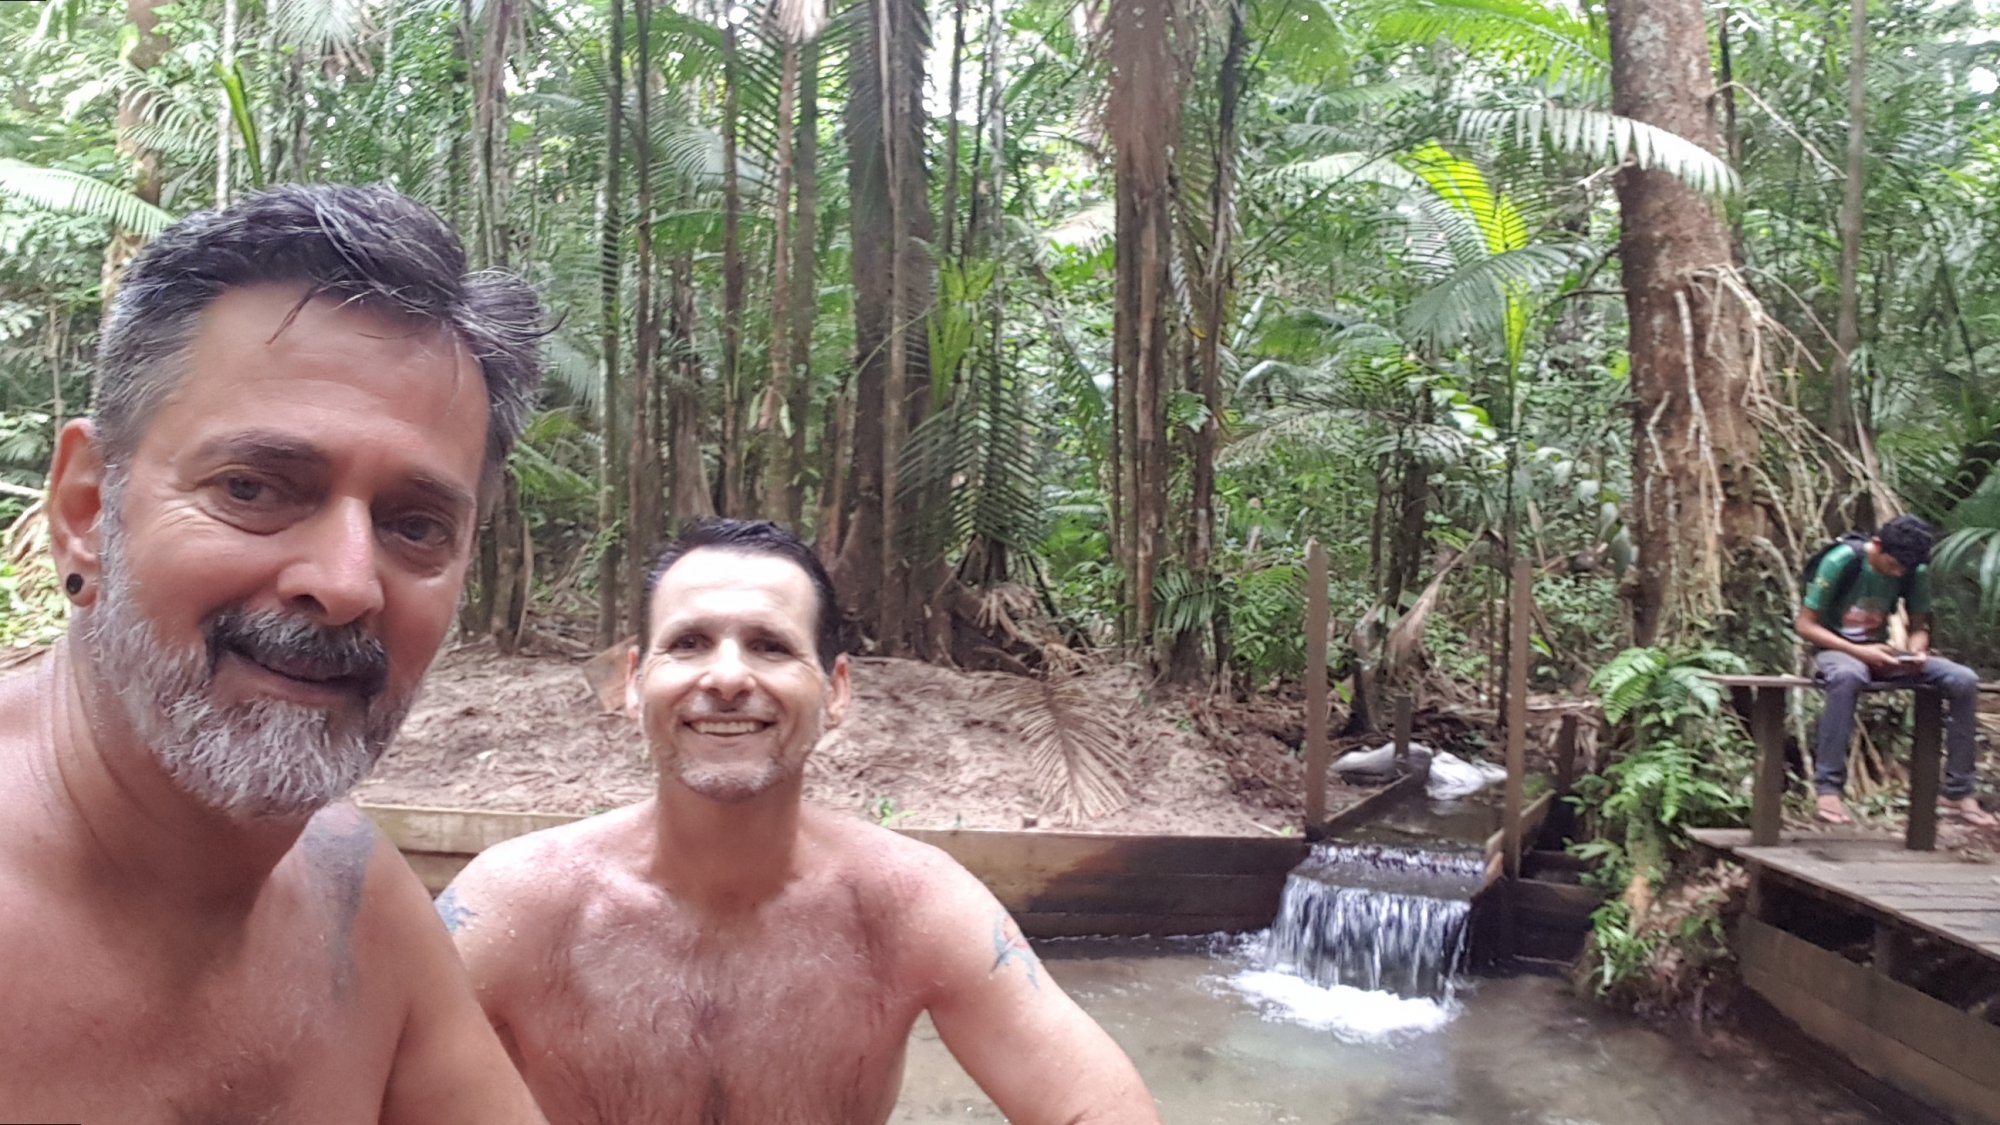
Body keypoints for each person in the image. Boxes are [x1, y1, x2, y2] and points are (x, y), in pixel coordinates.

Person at [0, 184, 550, 1121]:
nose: (346, 582)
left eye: (415, 525)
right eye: (253, 488)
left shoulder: (355, 901)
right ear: (86, 509)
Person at [441, 519, 1162, 1124]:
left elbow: (1097, 1107)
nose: (727, 678)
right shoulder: (520, 903)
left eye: (771, 645)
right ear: (633, 683)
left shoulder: (912, 903)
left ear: (835, 691)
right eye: (688, 643)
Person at [1795, 515, 1995, 828]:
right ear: (1877, 546)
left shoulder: (1913, 569)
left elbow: (1919, 627)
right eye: (1892, 566)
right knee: (1848, 677)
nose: (1898, 573)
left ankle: (1958, 791)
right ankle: (1828, 789)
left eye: (1905, 569)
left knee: (1963, 679)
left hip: (1885, 653)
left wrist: (1916, 652)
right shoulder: (1841, 561)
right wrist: (1860, 652)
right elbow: (1805, 626)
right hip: (1836, 651)